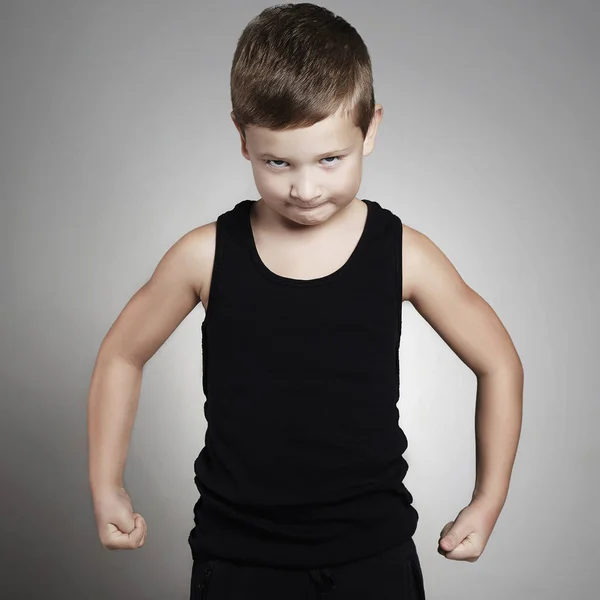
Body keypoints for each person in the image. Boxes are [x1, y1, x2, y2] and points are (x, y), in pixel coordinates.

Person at [88, 3, 524, 599]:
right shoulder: (204, 255)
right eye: (277, 162)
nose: (304, 187)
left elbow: (498, 361)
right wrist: (106, 483)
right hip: (238, 558)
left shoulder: (405, 255)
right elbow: (121, 355)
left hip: (372, 556)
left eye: (329, 159)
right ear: (242, 139)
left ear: (370, 128)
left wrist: (488, 499)